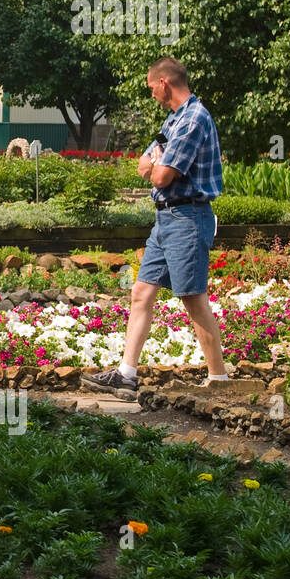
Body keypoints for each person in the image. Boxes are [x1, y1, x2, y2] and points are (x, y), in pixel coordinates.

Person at [82, 57, 229, 400]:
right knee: (141, 293)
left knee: (192, 297)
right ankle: (126, 374)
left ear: (164, 83)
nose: (151, 95)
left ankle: (219, 380)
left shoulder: (194, 119)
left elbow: (160, 173)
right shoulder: (174, 119)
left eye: (151, 88)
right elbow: (143, 164)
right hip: (165, 219)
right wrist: (153, 164)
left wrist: (155, 165)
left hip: (188, 219)